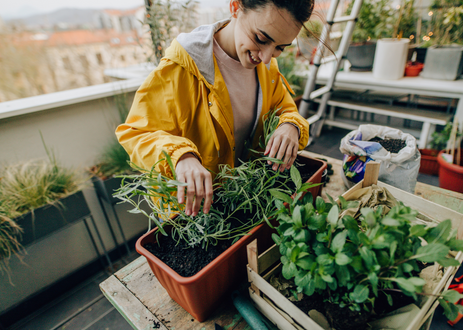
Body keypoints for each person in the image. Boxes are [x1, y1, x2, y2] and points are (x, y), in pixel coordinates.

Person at [116, 0, 316, 217]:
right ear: (235, 7)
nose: (266, 57)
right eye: (260, 39)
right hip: (195, 218)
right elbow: (136, 133)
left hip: (244, 204)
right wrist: (181, 157)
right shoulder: (181, 67)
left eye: (280, 48)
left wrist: (290, 125)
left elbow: (283, 108)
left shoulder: (267, 68)